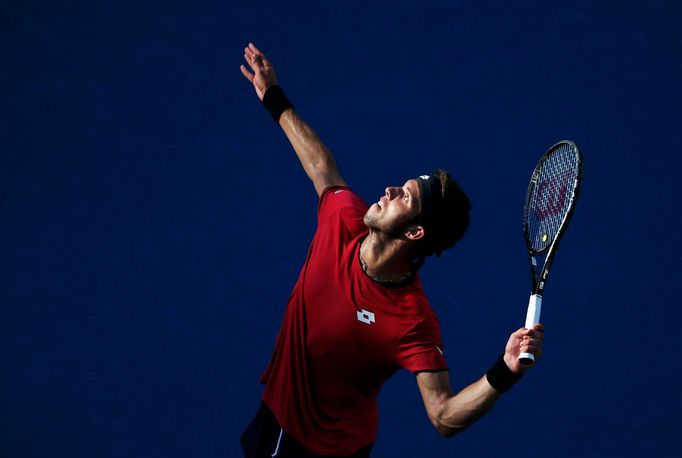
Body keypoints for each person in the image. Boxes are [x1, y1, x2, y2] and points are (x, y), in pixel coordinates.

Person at [239, 42, 544, 458]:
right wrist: (274, 97)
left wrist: (505, 371)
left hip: (330, 452)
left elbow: (443, 416)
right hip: (274, 417)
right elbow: (320, 166)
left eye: (405, 197)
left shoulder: (412, 321)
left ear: (415, 232)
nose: (388, 190)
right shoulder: (343, 218)